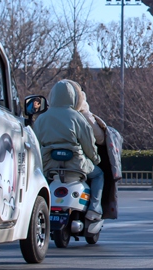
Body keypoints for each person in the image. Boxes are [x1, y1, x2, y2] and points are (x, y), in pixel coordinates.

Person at [33, 80, 105, 222]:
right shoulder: (77, 117)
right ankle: (94, 209)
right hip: (76, 165)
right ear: (74, 97)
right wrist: (95, 159)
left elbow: (35, 143)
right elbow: (88, 145)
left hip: (49, 166)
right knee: (98, 175)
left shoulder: (41, 119)